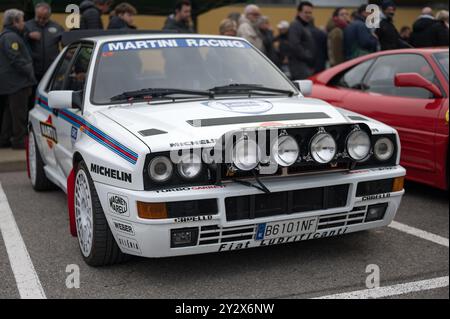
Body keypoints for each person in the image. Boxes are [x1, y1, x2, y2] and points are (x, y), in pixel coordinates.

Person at [0, 9, 36, 149]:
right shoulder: (11, 37)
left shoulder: (8, 35)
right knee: (19, 114)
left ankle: (4, 139)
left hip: (11, 83)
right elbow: (16, 58)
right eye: (21, 20)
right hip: (17, 82)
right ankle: (19, 141)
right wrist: (29, 73)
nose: (24, 23)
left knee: (10, 114)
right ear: (15, 22)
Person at [25, 2, 64, 82]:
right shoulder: (27, 26)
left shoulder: (57, 27)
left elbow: (65, 41)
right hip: (32, 70)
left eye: (44, 18)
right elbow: (18, 39)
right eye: (38, 17)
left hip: (51, 69)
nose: (41, 20)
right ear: (35, 14)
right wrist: (28, 35)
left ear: (49, 16)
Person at [287, 1, 316, 80]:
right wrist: (308, 57)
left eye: (310, 13)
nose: (308, 15)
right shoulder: (296, 25)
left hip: (304, 66)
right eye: (306, 12)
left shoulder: (304, 26)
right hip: (299, 67)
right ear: (299, 13)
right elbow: (294, 45)